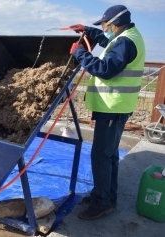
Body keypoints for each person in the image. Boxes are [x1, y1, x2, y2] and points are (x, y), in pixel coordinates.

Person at [69, 5, 145, 220]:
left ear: (114, 24)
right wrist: (88, 31)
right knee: (109, 154)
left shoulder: (125, 41)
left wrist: (80, 53)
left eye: (104, 25)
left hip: (112, 108)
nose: (103, 29)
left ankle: (102, 202)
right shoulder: (127, 36)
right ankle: (106, 196)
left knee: (101, 155)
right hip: (117, 107)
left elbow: (105, 69)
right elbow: (107, 42)